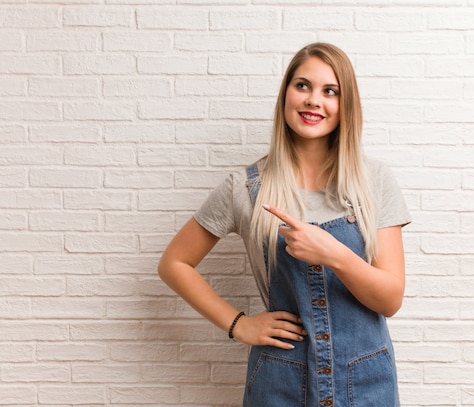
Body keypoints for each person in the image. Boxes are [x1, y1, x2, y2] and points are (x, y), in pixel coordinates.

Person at [158, 42, 411, 407]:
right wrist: (239, 324)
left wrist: (334, 254)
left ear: (346, 106)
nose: (313, 100)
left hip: (365, 382)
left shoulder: (374, 181)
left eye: (330, 91)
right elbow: (174, 264)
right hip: (280, 383)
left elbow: (390, 299)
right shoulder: (245, 188)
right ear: (286, 95)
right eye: (302, 85)